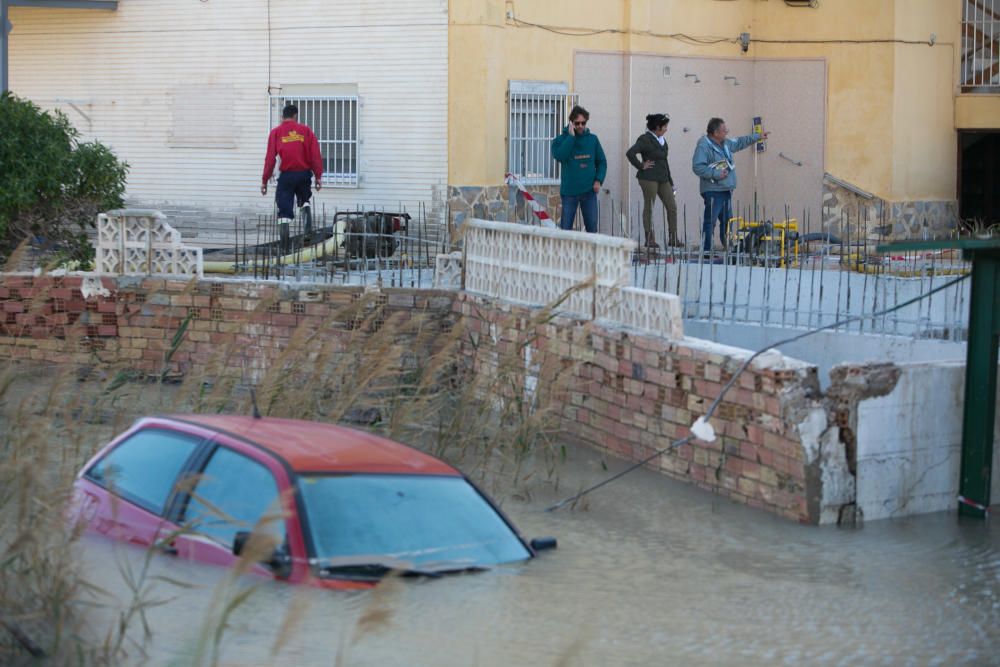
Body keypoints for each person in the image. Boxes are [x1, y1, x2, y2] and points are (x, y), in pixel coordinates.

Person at [691, 117, 768, 252]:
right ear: (715, 133)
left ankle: (728, 248)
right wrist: (716, 174)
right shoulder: (704, 146)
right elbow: (697, 167)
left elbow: (739, 142)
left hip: (725, 190)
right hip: (713, 190)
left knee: (727, 223)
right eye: (724, 130)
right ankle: (707, 250)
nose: (726, 132)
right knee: (711, 221)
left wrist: (758, 136)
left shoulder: (725, 143)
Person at [261, 103, 323, 253]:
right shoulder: (306, 131)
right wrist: (318, 176)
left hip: (287, 176)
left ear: (282, 117)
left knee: (284, 209)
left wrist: (265, 180)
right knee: (304, 200)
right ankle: (308, 235)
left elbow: (270, 159)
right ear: (296, 116)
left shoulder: (276, 133)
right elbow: (315, 155)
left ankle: (284, 246)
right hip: (304, 174)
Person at [625, 113, 680, 248]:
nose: (666, 129)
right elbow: (630, 153)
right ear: (657, 127)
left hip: (663, 178)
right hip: (648, 178)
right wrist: (641, 165)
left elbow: (664, 161)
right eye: (665, 126)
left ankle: (673, 238)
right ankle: (649, 238)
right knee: (649, 206)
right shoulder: (645, 139)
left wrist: (671, 182)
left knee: (672, 206)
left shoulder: (662, 140)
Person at [551, 105, 607, 233]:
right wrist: (571, 137)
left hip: (589, 192)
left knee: (592, 227)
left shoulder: (593, 139)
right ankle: (565, 253)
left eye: (583, 123)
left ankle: (590, 253)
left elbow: (602, 162)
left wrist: (598, 180)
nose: (581, 126)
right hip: (569, 192)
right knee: (566, 229)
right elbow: (559, 156)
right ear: (571, 123)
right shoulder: (561, 140)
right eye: (577, 123)